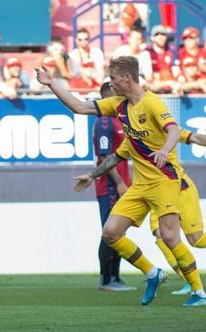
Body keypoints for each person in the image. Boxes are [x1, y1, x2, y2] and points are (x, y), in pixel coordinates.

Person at [36, 56, 206, 306]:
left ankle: (198, 292)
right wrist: (51, 84)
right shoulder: (119, 105)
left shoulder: (152, 103)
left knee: (170, 237)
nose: (110, 83)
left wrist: (163, 151)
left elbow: (173, 130)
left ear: (127, 78)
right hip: (140, 186)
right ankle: (152, 273)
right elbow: (80, 108)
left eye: (113, 78)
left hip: (164, 181)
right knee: (111, 233)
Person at [76, 128, 206, 297]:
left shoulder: (164, 128)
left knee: (196, 240)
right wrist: (93, 175)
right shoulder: (133, 136)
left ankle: (195, 288)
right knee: (161, 236)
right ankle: (190, 283)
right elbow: (115, 157)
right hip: (152, 192)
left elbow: (195, 137)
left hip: (179, 188)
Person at [91, 82, 134, 291]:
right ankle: (107, 279)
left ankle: (115, 277)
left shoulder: (117, 120)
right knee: (109, 232)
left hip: (121, 184)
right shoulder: (105, 122)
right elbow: (104, 156)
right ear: (110, 95)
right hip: (109, 186)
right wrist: (118, 182)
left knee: (118, 232)